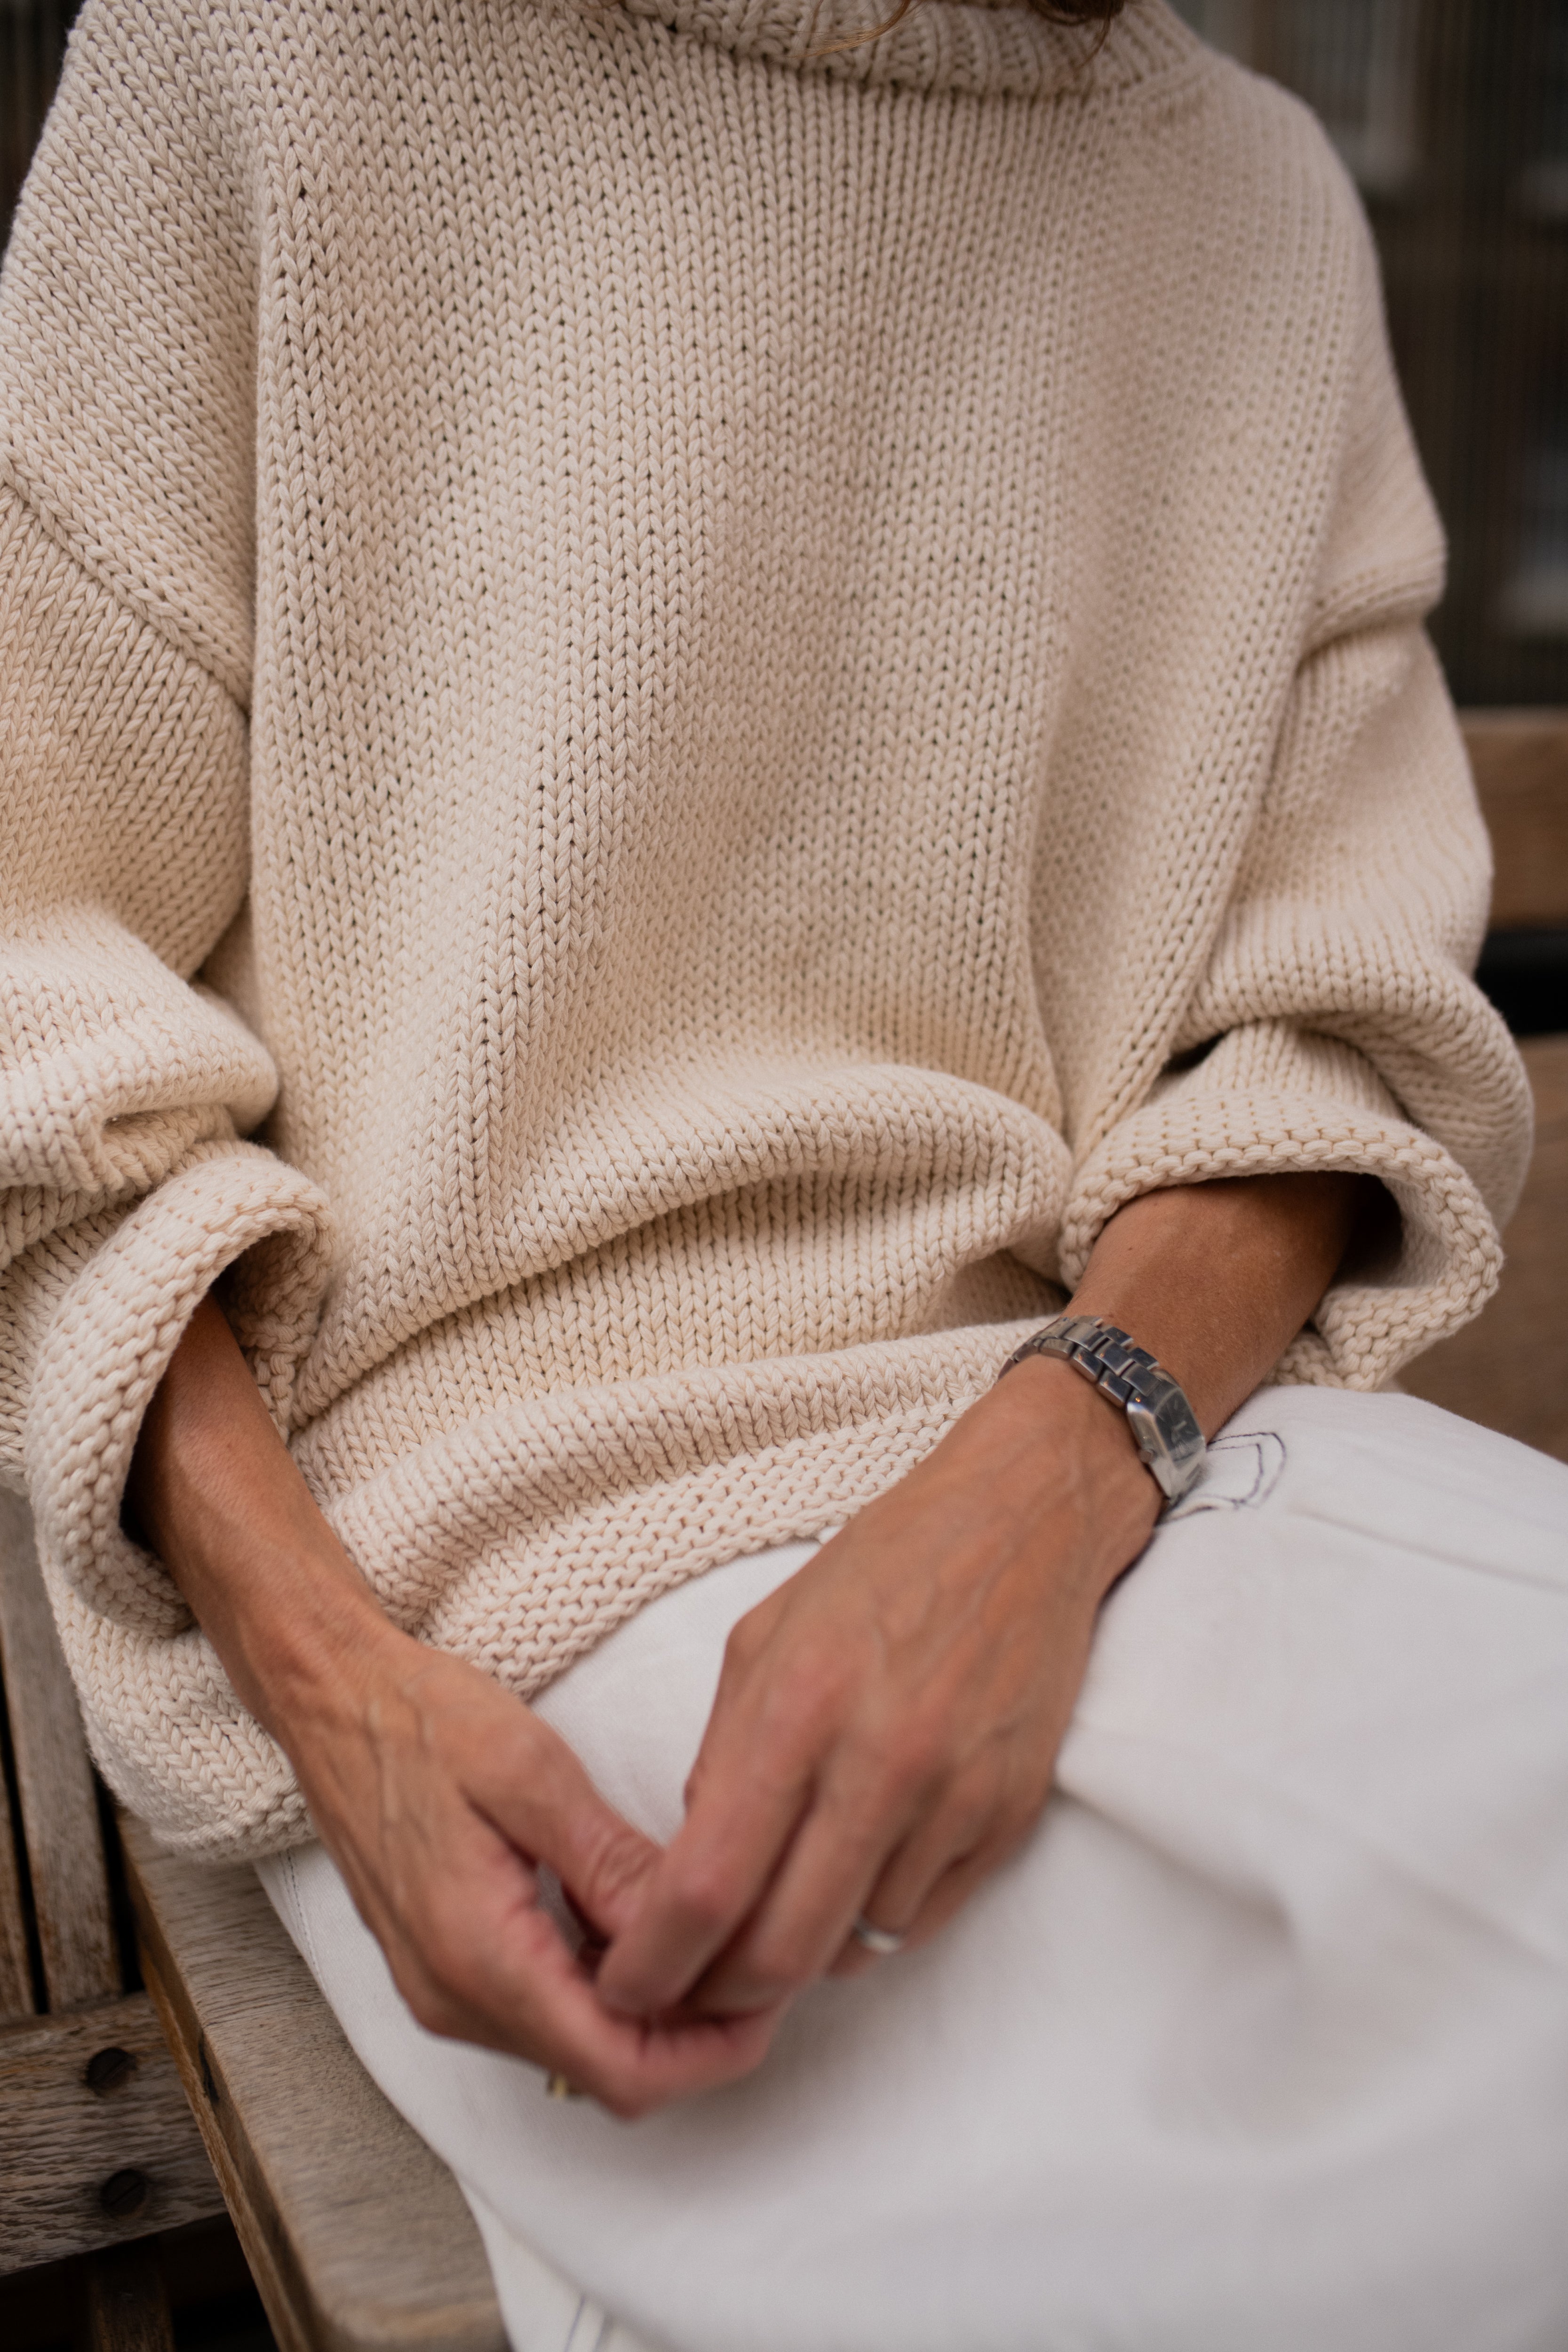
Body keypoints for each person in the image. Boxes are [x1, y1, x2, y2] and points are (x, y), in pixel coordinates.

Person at [4, 0, 1567, 2342]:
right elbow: (31, 987)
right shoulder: (270, 61)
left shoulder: (1244, 196)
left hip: (1168, 1473)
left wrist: (1030, 1498)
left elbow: (1320, 1019)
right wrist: (343, 1701)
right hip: (512, 1613)